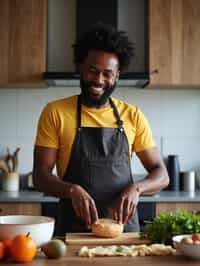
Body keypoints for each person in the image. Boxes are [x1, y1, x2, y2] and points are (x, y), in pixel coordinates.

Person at [33, 23, 169, 235]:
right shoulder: (55, 112)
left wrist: (137, 188)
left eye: (107, 74)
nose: (98, 80)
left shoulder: (133, 115)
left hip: (124, 232)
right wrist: (71, 189)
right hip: (74, 231)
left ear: (117, 75)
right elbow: (40, 176)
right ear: (80, 67)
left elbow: (162, 174)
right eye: (92, 71)